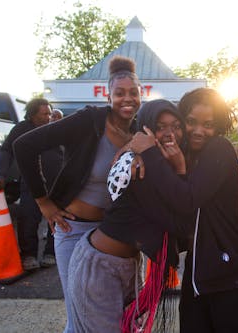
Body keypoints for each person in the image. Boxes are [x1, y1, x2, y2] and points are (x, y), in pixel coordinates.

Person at [13, 55, 141, 333]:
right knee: (80, 318)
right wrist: (44, 202)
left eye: (133, 92)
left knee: (117, 315)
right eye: (119, 93)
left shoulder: (140, 131)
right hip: (74, 229)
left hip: (112, 235)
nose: (127, 99)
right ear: (109, 96)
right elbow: (24, 146)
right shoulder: (89, 120)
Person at [130, 87, 238, 333]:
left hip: (231, 272)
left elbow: (188, 199)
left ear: (219, 126)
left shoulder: (219, 148)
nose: (199, 131)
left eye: (209, 124)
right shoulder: (184, 153)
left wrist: (154, 156)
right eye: (191, 122)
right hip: (197, 270)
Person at [67, 99, 187, 333]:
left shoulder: (157, 162)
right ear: (146, 129)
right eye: (161, 126)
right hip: (99, 267)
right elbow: (177, 221)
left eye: (176, 125)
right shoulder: (138, 165)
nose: (170, 133)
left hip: (128, 264)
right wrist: (180, 169)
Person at [0, 97, 55, 270]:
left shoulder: (54, 128)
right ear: (32, 114)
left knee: (56, 219)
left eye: (49, 113)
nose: (48, 117)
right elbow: (6, 150)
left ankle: (51, 253)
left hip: (55, 182)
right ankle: (29, 255)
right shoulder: (21, 129)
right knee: (28, 217)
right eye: (44, 114)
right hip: (31, 181)